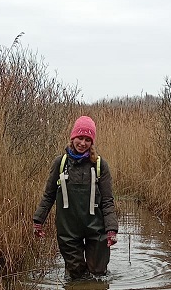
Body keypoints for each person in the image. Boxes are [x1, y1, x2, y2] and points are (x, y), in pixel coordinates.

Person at [33, 115, 119, 280]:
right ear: (73, 138)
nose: (83, 143)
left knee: (98, 275)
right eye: (80, 138)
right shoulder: (60, 163)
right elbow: (49, 195)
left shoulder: (100, 165)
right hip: (68, 231)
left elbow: (108, 201)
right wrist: (38, 221)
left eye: (88, 139)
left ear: (91, 142)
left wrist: (111, 230)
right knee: (76, 276)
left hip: (96, 230)